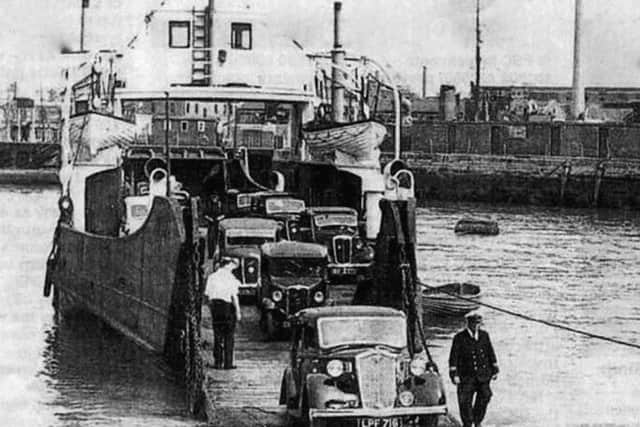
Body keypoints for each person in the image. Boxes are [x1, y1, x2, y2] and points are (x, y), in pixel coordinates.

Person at [448, 310, 499, 427]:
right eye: (473, 323)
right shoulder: (459, 338)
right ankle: (467, 423)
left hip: (483, 375)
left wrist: (495, 369)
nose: (476, 326)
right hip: (466, 376)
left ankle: (477, 421)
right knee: (465, 401)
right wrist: (454, 374)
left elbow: (490, 353)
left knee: (486, 395)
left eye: (478, 323)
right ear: (468, 323)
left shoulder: (484, 336)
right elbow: (453, 358)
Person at [204, 257, 242, 369]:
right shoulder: (230, 278)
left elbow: (207, 295)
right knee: (229, 336)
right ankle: (228, 363)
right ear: (227, 265)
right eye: (232, 265)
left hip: (215, 307)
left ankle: (218, 362)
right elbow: (234, 297)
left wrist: (211, 307)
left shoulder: (212, 277)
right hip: (227, 307)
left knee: (218, 335)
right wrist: (238, 312)